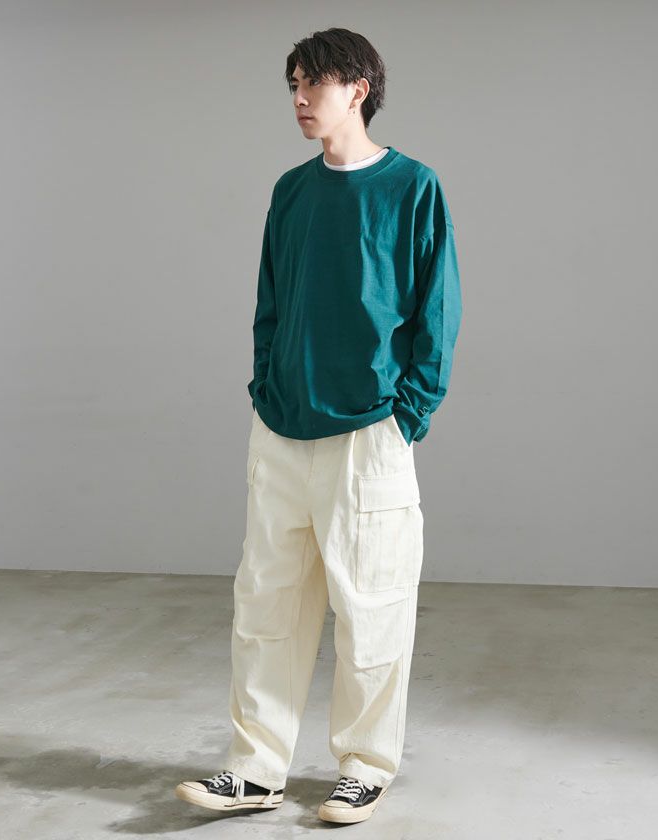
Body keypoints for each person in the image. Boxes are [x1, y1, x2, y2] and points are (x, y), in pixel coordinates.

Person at [175, 27, 462, 824]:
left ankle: (365, 767)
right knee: (266, 608)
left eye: (315, 84)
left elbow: (436, 313)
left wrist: (408, 415)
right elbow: (270, 303)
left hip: (368, 432)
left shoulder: (412, 188)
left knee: (371, 609)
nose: (300, 99)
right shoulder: (292, 192)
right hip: (281, 429)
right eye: (294, 85)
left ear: (358, 89)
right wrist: (266, 386)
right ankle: (255, 769)